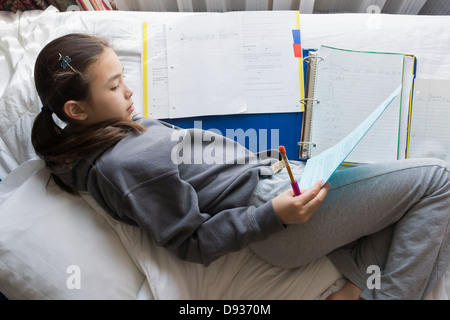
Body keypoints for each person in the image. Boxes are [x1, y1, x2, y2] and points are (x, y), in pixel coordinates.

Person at [31, 33, 450, 300]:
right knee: (440, 180)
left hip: (274, 186)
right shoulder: (127, 164)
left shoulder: (103, 137)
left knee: (407, 216)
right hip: (278, 216)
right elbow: (189, 242)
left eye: (122, 76)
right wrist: (273, 215)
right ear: (76, 109)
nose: (128, 89)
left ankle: (356, 289)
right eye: (114, 85)